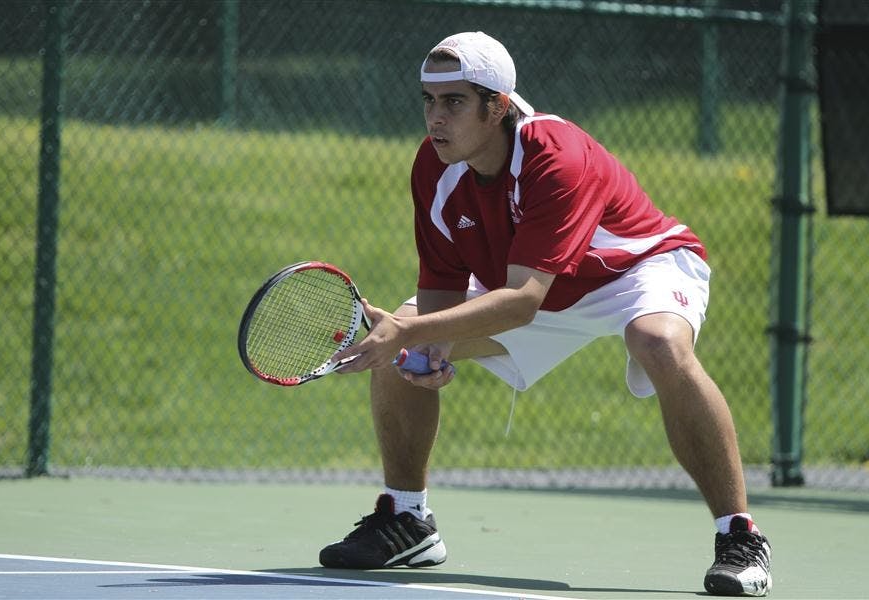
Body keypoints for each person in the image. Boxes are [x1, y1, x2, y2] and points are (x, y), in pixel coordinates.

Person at [320, 31, 772, 597]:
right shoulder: (434, 169)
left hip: (633, 270)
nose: (436, 118)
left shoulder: (557, 154)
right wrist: (417, 349)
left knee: (658, 342)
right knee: (397, 350)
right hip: (528, 284)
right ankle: (408, 519)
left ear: (498, 106)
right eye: (428, 101)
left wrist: (411, 330)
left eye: (454, 102)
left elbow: (523, 299)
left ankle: (740, 537)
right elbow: (440, 289)